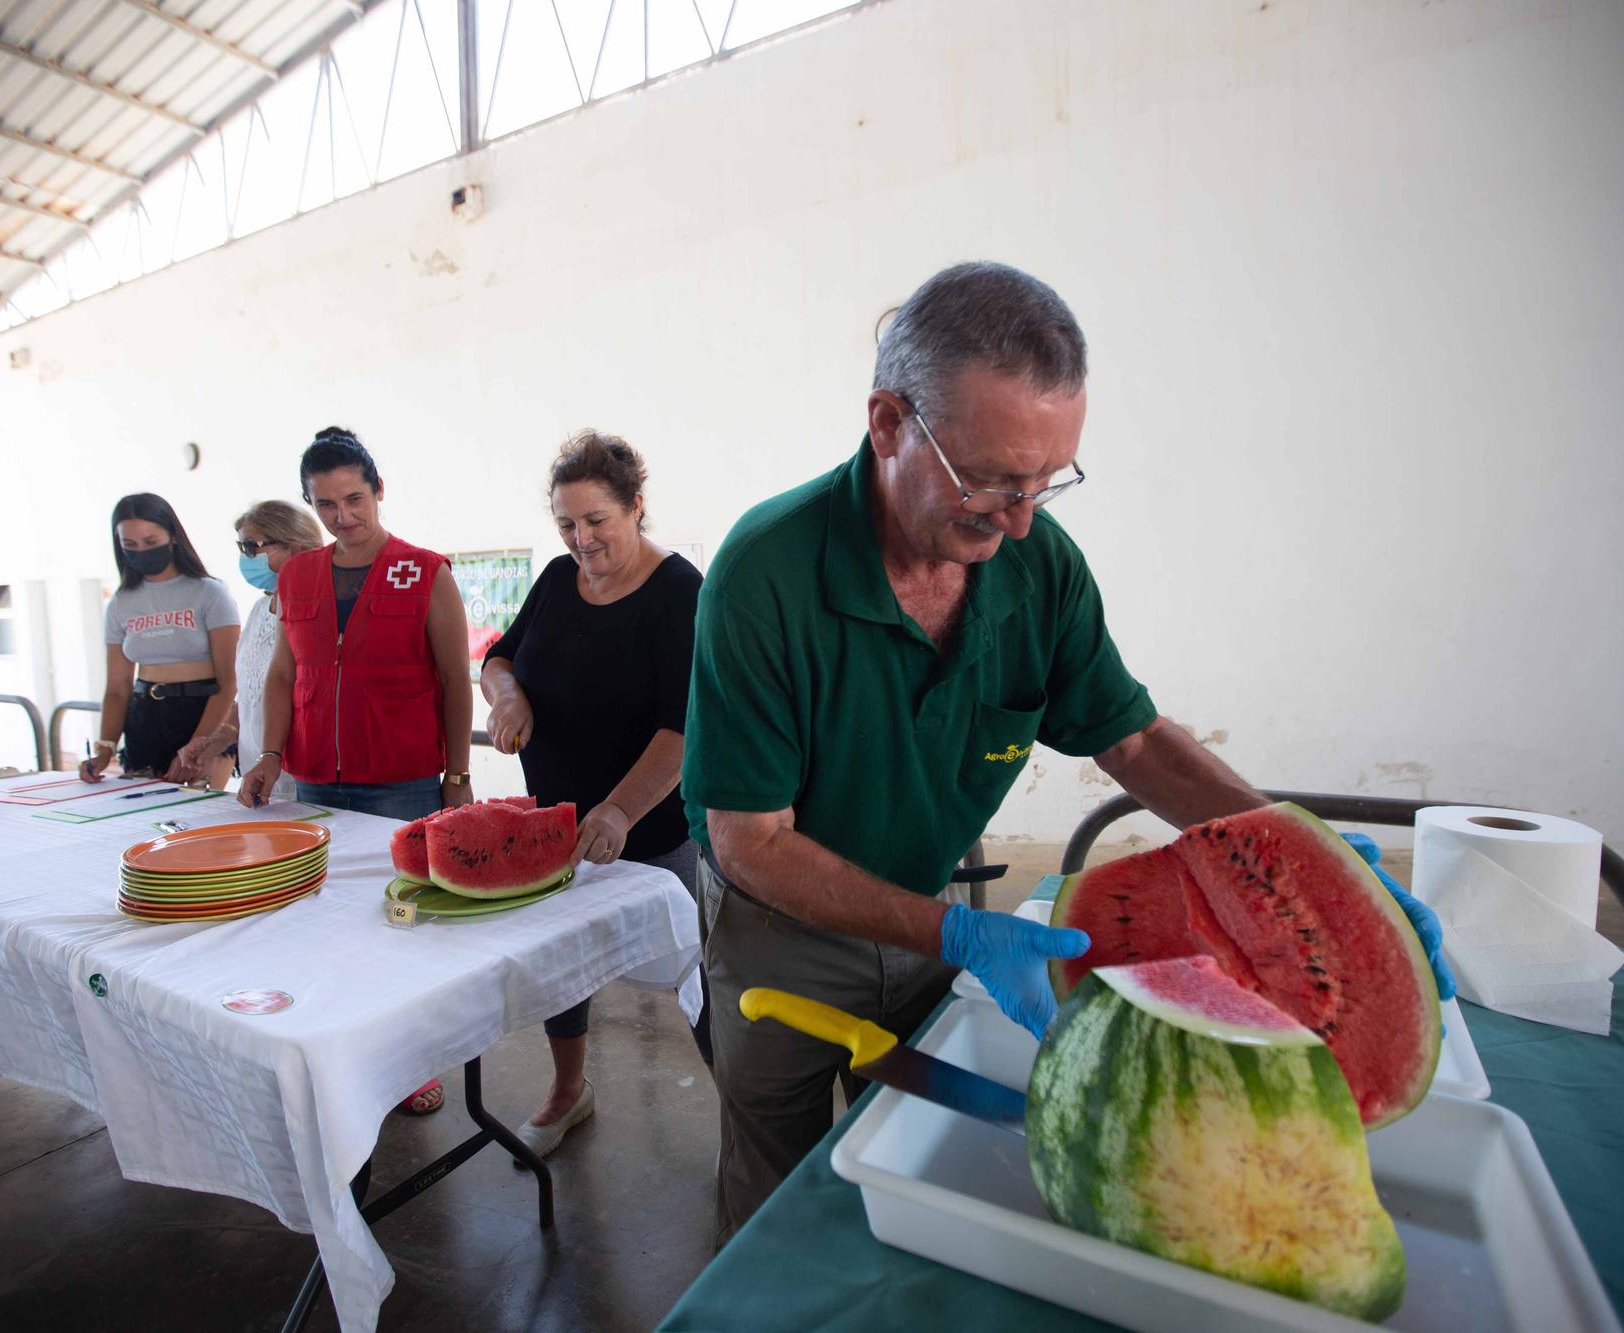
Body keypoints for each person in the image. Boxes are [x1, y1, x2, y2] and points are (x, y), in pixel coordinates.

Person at [681, 261, 1455, 1241]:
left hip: (928, 908)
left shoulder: (1036, 564)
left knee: (916, 1162)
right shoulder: (765, 572)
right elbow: (750, 840)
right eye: (990, 481)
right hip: (776, 931)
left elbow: (1130, 739)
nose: (1014, 520)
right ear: (887, 424)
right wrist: (955, 934)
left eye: (1044, 484)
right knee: (772, 1191)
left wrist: (1309, 859)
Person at [480, 431, 709, 1159]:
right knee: (560, 969)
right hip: (555, 825)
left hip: (656, 832)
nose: (581, 539)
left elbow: (686, 725)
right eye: (567, 524)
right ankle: (568, 1089)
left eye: (597, 521)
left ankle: (747, 1118)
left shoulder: (679, 592)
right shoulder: (555, 579)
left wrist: (619, 808)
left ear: (636, 506)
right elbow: (499, 657)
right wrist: (508, 696)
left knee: (698, 974)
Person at [238, 427, 474, 1117]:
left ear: (378, 491)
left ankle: (410, 1065)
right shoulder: (298, 575)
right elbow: (285, 673)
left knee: (401, 930)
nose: (344, 515)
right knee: (326, 928)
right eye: (327, 504)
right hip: (312, 781)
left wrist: (456, 775)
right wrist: (272, 754)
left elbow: (454, 681)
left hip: (400, 783)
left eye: (354, 497)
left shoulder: (425, 570)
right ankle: (338, 1061)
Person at [80, 494, 240, 788]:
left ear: (173, 537)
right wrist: (105, 748)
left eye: (151, 542)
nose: (141, 551)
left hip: (202, 712)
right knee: (143, 817)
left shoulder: (210, 593)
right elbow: (117, 689)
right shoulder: (120, 603)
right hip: (145, 717)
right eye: (130, 545)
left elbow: (229, 681)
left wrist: (198, 746)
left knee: (198, 817)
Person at [174, 501, 325, 801]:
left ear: (295, 547)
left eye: (250, 547)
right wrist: (220, 737)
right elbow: (253, 692)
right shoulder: (259, 610)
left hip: (304, 777)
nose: (245, 557)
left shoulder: (316, 612)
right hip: (258, 773)